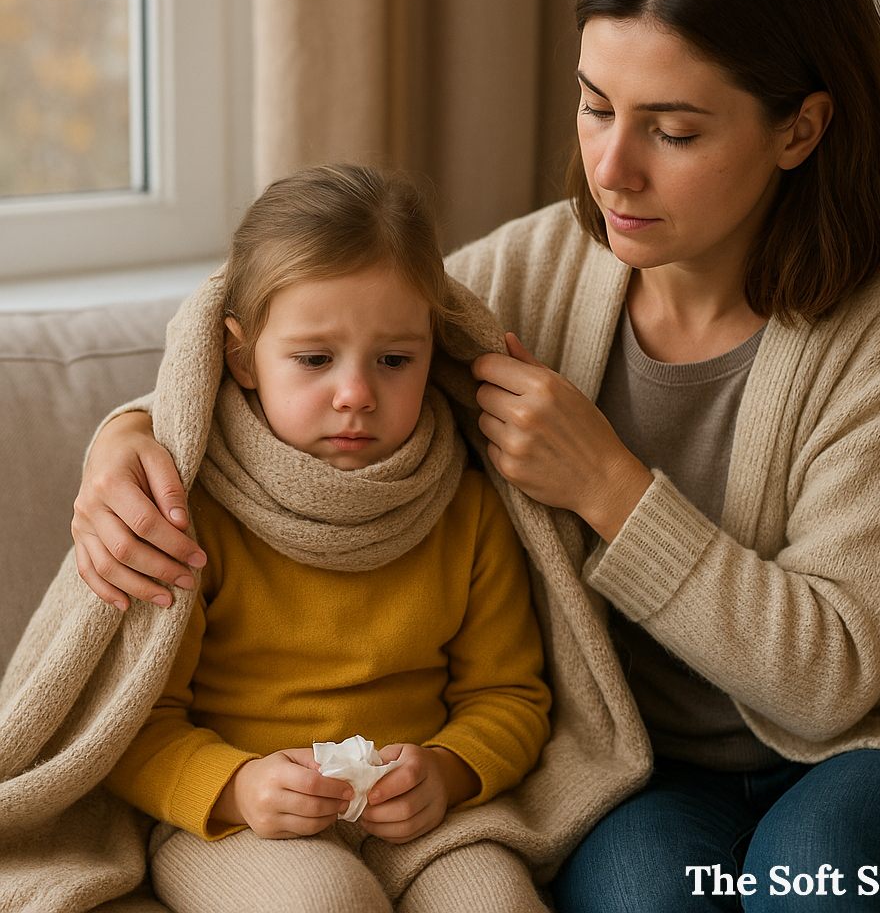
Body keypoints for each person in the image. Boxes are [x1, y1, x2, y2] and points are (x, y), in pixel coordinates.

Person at [70, 0, 880, 910]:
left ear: (799, 128)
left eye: (673, 129)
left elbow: (828, 676)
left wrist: (610, 486)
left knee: (822, 876)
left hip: (879, 744)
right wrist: (125, 432)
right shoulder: (539, 270)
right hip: (647, 763)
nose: (609, 168)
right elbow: (297, 316)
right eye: (595, 105)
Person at [87, 163, 552, 911]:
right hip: (240, 823)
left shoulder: (465, 508)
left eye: (395, 360)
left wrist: (448, 769)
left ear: (434, 352)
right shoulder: (193, 512)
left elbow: (510, 696)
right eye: (313, 360)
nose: (356, 394)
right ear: (241, 357)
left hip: (421, 820)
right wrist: (237, 788)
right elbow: (131, 724)